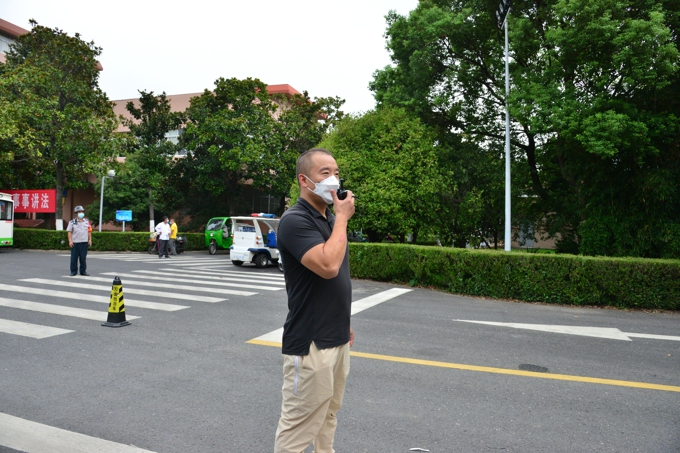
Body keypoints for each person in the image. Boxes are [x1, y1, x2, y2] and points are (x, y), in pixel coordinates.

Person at [274, 148, 355, 453]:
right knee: (298, 427)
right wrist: (343, 219)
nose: (334, 179)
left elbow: (336, 281)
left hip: (335, 336)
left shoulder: (328, 220)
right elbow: (328, 266)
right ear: (304, 180)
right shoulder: (295, 220)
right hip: (311, 342)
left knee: (328, 416)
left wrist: (343, 323)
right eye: (325, 173)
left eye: (336, 172)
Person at [66, 205, 92, 276]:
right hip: (75, 242)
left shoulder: (87, 221)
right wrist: (70, 241)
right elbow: (69, 232)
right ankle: (73, 271)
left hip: (84, 242)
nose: (81, 213)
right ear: (76, 213)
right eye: (79, 212)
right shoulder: (72, 222)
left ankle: (83, 271)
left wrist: (90, 240)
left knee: (83, 258)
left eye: (82, 212)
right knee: (74, 258)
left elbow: (89, 231)